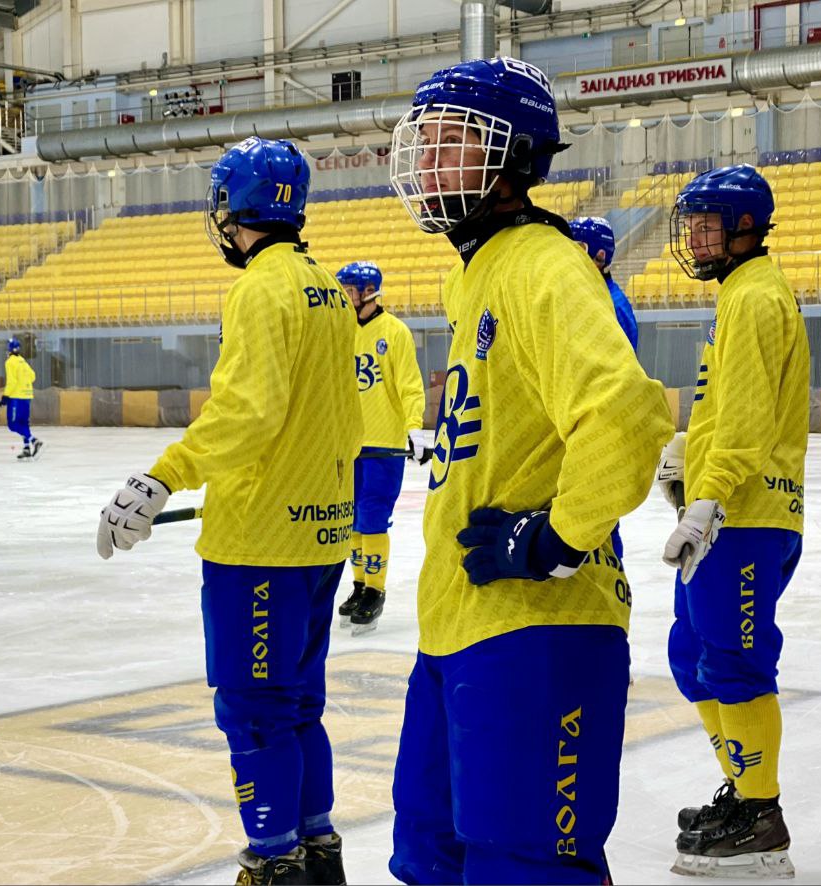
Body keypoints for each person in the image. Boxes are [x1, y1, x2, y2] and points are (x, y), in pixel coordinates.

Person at [385, 57, 673, 884]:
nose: (429, 163)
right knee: (430, 857)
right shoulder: (474, 272)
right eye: (425, 144)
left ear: (512, 160)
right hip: (458, 628)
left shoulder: (544, 267)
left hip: (541, 631)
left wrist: (556, 538)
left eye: (453, 144)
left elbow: (623, 416)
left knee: (527, 866)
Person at [96, 136, 361, 885]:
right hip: (320, 535)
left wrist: (164, 475)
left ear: (233, 206)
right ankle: (318, 849)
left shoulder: (260, 289)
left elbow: (247, 413)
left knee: (253, 711)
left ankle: (275, 864)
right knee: (299, 704)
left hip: (260, 544)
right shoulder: (328, 291)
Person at [657, 164, 810, 879]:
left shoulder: (755, 298)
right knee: (693, 657)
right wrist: (685, 451)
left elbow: (748, 424)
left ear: (745, 227)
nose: (694, 236)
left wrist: (708, 498)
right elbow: (725, 409)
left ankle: (761, 817)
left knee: (736, 663)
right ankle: (744, 795)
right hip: (726, 509)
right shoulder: (738, 296)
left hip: (746, 514)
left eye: (706, 223)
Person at [334, 260, 426, 636]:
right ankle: (359, 585)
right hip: (348, 445)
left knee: (371, 518)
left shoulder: (395, 332)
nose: (344, 298)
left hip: (382, 446)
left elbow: (409, 384)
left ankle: (376, 589)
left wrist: (415, 429)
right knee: (352, 517)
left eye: (349, 292)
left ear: (368, 294)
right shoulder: (338, 332)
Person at [568, 216, 638, 351]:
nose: (572, 257)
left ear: (600, 256)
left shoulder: (612, 305)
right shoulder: (593, 295)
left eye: (579, 249)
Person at [0, 338, 42, 460]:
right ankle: (27, 448)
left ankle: (34, 440)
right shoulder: (22, 361)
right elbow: (33, 376)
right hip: (27, 396)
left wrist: (5, 396)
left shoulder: (10, 362)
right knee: (24, 423)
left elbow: (12, 382)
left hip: (16, 397)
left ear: (8, 350)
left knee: (13, 424)